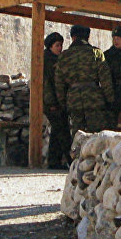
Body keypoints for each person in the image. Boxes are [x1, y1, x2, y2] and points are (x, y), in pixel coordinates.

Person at [54, 24, 114, 135]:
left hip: (74, 100)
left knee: (78, 135)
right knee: (96, 136)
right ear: (88, 37)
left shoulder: (64, 56)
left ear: (73, 37)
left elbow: (59, 83)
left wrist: (63, 103)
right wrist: (110, 100)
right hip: (94, 100)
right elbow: (105, 79)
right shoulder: (96, 53)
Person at [43, 32, 71, 169]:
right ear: (50, 47)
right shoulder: (49, 62)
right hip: (53, 103)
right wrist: (52, 103)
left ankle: (54, 161)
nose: (60, 48)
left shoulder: (54, 60)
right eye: (57, 45)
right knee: (62, 132)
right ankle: (69, 161)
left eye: (61, 45)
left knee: (57, 132)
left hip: (57, 102)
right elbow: (48, 85)